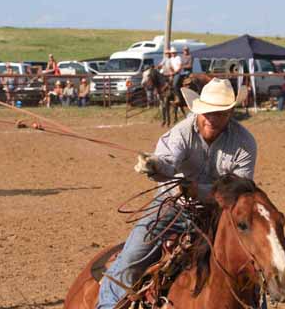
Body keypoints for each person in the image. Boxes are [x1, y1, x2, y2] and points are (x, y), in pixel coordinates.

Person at [97, 78, 257, 309]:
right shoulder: (182, 133)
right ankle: (107, 306)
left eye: (220, 113)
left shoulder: (244, 142)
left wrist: (198, 191)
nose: (213, 118)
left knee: (255, 261)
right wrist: (155, 165)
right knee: (132, 257)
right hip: (173, 206)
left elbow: (239, 190)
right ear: (198, 110)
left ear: (231, 112)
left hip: (220, 212)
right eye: (208, 112)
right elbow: (168, 162)